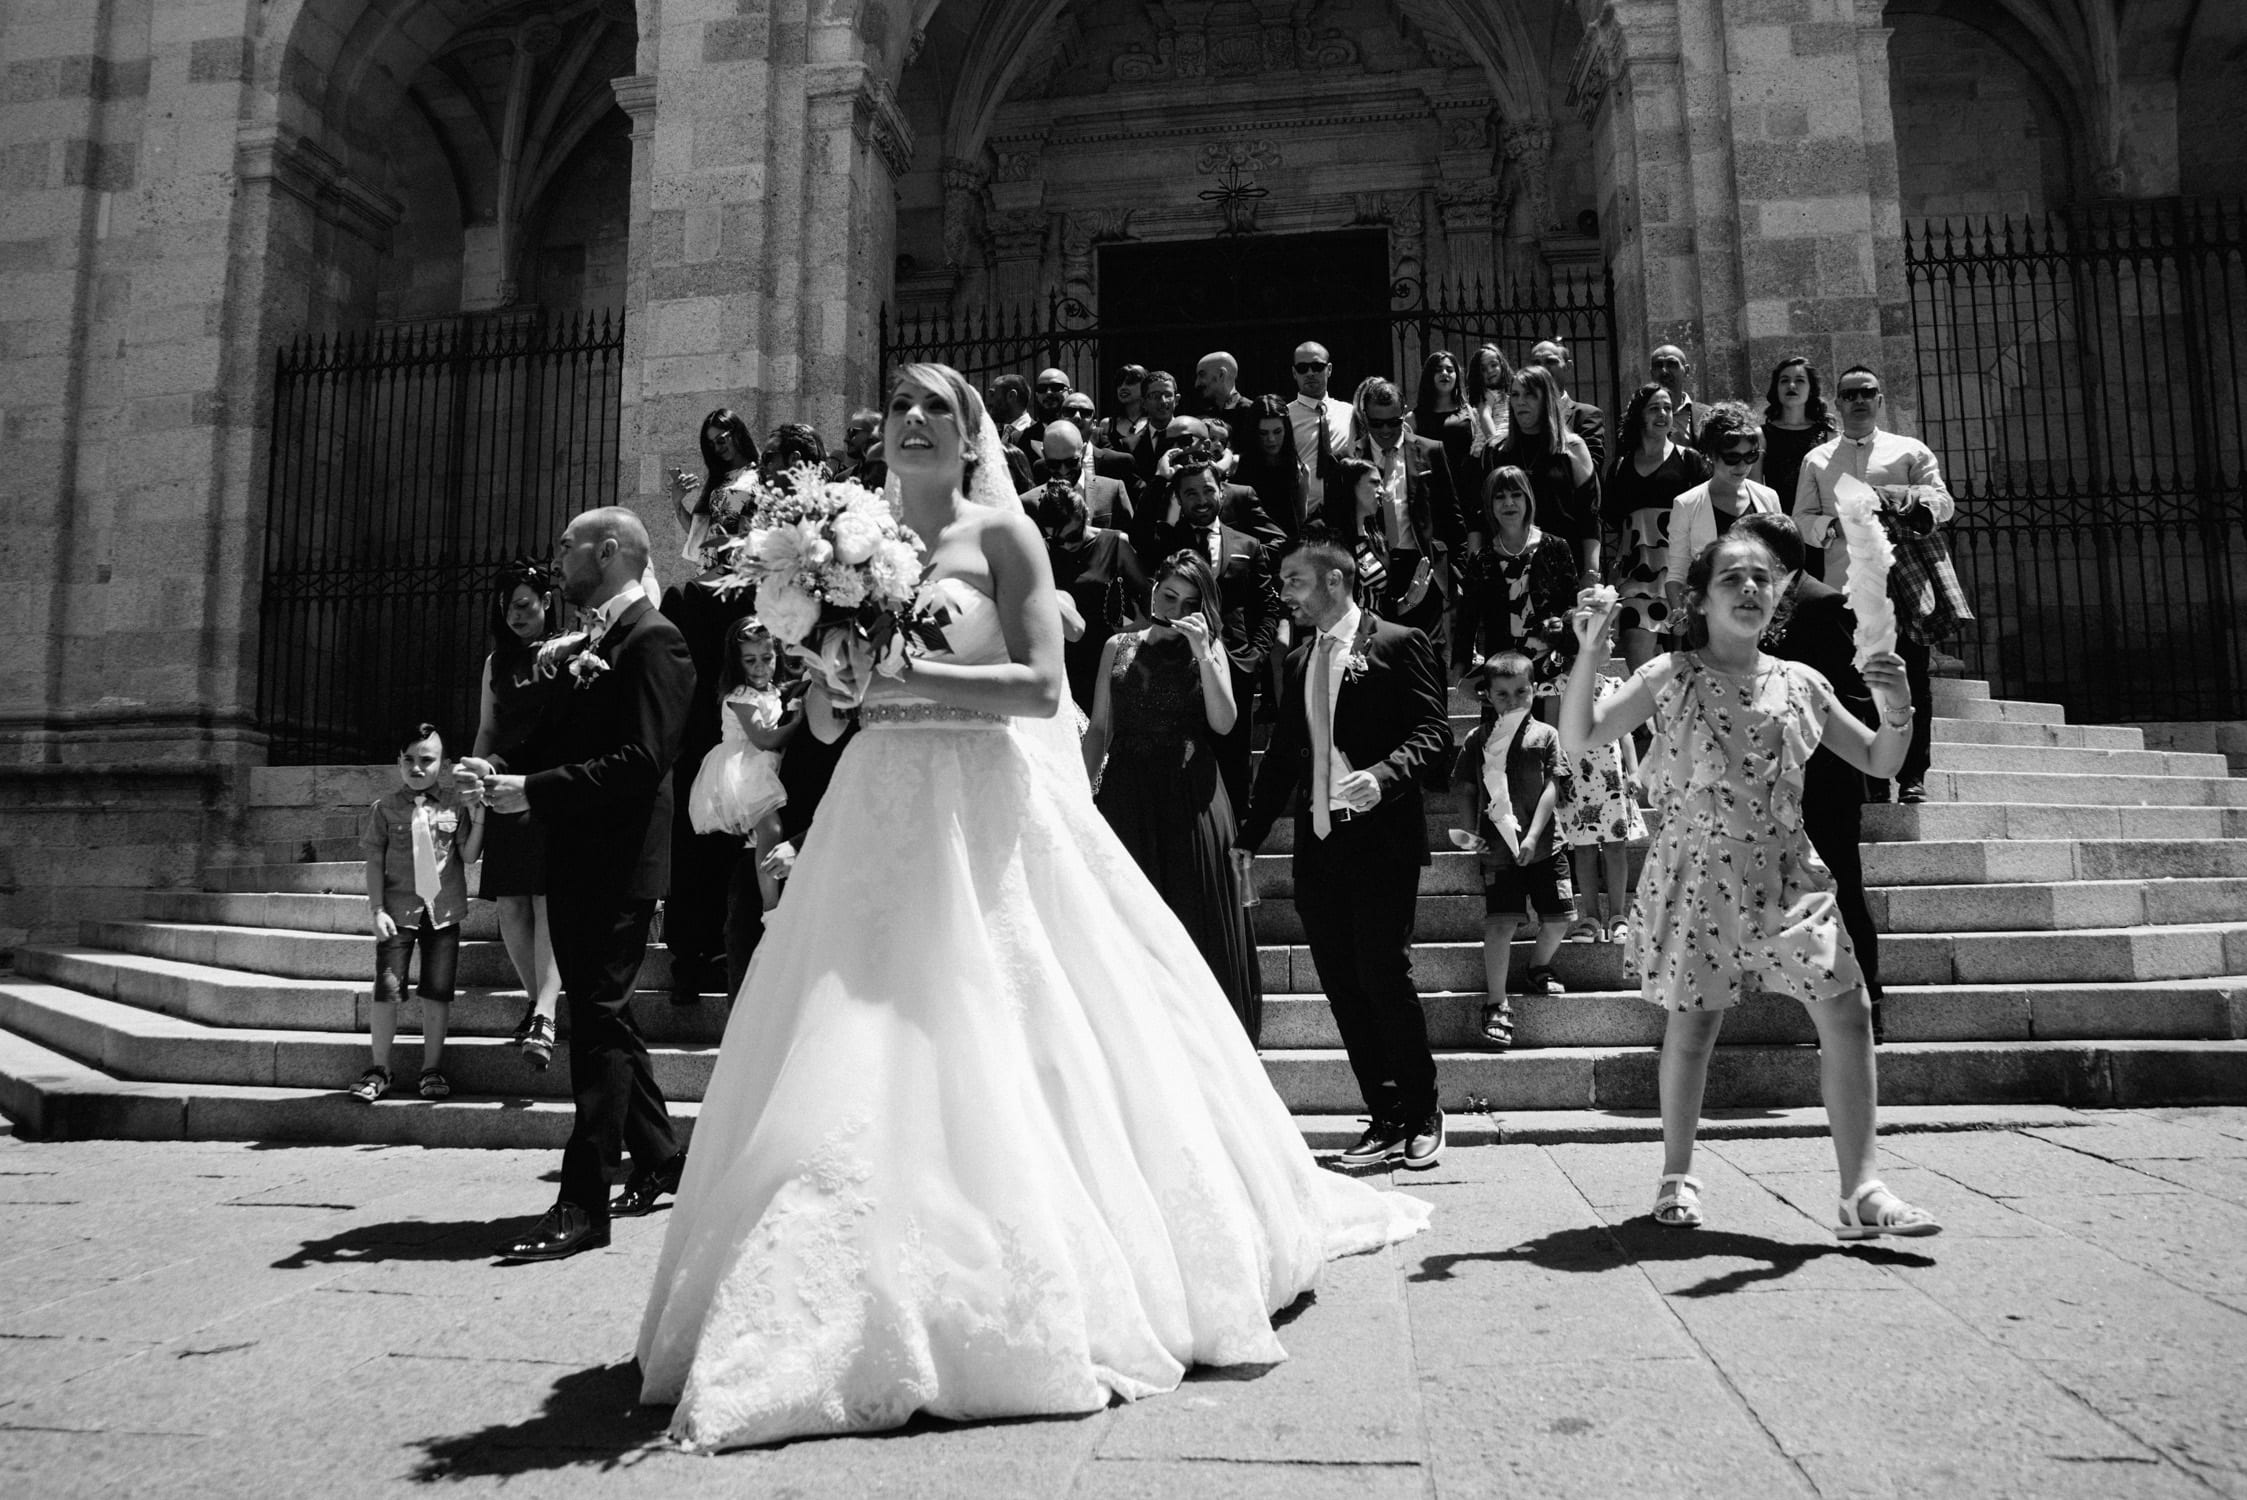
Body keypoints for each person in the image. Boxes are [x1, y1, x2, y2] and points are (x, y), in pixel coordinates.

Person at [636, 363, 1429, 1452]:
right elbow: (828, 720)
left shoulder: (1003, 539)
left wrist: (908, 675)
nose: (916, 420)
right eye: (901, 407)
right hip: (874, 806)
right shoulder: (837, 546)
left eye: (940, 409)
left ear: (972, 440)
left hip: (983, 801)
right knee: (851, 1041)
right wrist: (836, 681)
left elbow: (1043, 689)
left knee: (1002, 1015)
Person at [1560, 534, 1939, 1240]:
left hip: (1787, 867)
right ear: (1700, 600)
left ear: (1778, 596)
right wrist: (1589, 652)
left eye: (1761, 578)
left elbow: (1879, 760)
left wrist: (1899, 706)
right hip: (1697, 867)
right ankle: (1676, 1174)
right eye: (1731, 578)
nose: (1749, 589)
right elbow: (1581, 736)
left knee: (1847, 1008)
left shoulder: (1802, 682)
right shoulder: (1671, 674)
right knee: (1694, 1023)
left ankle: (1862, 1190)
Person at [460, 506, 692, 1262]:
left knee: (595, 1024)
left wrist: (535, 791)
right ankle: (660, 1156)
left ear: (609, 550)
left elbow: (643, 762)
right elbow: (555, 740)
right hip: (579, 856)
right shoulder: (591, 643)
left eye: (567, 546)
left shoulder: (654, 640)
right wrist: (497, 769)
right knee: (606, 1017)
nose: (557, 558)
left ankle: (582, 1204)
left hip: (620, 865)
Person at [1233, 527, 1454, 1171]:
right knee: (1341, 983)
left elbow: (1434, 732)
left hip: (1381, 840)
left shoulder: (1398, 642)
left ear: (1335, 579)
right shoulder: (1298, 660)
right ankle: (1384, 1113)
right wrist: (1248, 837)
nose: (1285, 593)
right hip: (1319, 844)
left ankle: (1424, 1111)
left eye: (1295, 581)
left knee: (1383, 973)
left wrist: (1383, 776)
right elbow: (1282, 757)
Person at [1083, 551, 1263, 1037]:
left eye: (1189, 603)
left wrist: (1204, 651)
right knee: (1129, 920)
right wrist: (1078, 793)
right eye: (1168, 596)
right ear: (1153, 590)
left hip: (1190, 795)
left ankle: (1208, 1040)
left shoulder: (1210, 648)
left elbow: (1223, 723)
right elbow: (1099, 728)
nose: (1176, 609)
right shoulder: (1117, 645)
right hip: (1126, 793)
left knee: (1192, 913)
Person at [1736, 511, 1885, 1040]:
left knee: (1841, 885)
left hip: (1824, 778)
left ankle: (1869, 1001)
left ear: (1774, 559)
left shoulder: (1826, 604)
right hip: (1769, 781)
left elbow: (1853, 695)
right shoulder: (1755, 604)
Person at [1793, 364, 1955, 804]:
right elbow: (1801, 518)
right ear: (1838, 403)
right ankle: (1874, 778)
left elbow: (1943, 503)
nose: (1860, 400)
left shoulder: (1909, 450)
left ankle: (1914, 775)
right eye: (1850, 394)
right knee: (1857, 681)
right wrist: (1833, 526)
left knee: (1912, 677)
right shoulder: (1818, 459)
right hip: (1846, 588)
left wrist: (1904, 499)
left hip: (1905, 584)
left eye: (1867, 392)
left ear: (1880, 400)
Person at [351, 723, 484, 1104]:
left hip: (443, 912)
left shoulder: (455, 806)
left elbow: (469, 855)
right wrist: (376, 909)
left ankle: (431, 1068)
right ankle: (379, 1068)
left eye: (426, 760)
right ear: (398, 762)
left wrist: (479, 816)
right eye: (408, 759)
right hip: (398, 913)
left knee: (437, 993)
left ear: (444, 765)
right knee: (387, 991)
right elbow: (374, 863)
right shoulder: (384, 808)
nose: (417, 767)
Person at [471, 561, 565, 1068]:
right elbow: (488, 729)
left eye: (526, 605)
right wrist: (472, 783)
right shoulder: (496, 662)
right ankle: (537, 1005)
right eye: (508, 608)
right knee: (510, 903)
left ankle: (545, 1011)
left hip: (546, 783)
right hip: (501, 780)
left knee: (546, 898)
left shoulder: (568, 649)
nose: (516, 616)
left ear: (547, 602)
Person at [1453, 653, 1573, 1051]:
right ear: (1488, 696)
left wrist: (1533, 835)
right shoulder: (1478, 739)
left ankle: (1538, 966)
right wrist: (1471, 834)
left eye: (1521, 691)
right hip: (1497, 851)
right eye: (1502, 694)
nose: (1513, 700)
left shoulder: (1546, 735)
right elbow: (1466, 788)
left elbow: (1553, 786)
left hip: (1546, 845)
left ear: (1534, 690)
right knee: (1500, 925)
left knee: (1559, 920)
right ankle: (1496, 1002)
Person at [1147, 460, 1279, 813]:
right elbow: (1139, 533)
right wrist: (1159, 479)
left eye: (1208, 490)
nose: (1201, 499)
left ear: (1222, 491)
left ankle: (1234, 837)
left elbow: (1268, 608)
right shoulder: (1165, 541)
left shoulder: (1249, 544)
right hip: (1175, 666)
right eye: (1190, 493)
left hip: (1234, 666)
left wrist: (1254, 657)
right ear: (1178, 499)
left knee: (1234, 763)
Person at [687, 618, 799, 913]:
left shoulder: (772, 690)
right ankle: (771, 905)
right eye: (750, 661)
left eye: (767, 658)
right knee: (772, 829)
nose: (760, 667)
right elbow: (762, 739)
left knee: (764, 833)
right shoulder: (741, 696)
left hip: (760, 766)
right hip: (742, 770)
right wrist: (798, 724)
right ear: (737, 663)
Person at [1346, 376, 1465, 641]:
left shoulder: (1431, 450)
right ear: (1365, 418)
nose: (1385, 430)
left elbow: (1452, 516)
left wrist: (1458, 573)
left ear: (1404, 414)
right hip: (1374, 571)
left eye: (1394, 422)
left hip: (1422, 565)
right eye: (1377, 423)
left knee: (1428, 650)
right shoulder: (1352, 457)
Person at [1604, 381, 1713, 672]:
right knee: (1639, 660)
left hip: (1681, 569)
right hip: (1636, 573)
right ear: (1640, 415)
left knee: (1686, 662)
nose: (1663, 414)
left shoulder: (1689, 460)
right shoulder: (1620, 466)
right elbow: (1612, 521)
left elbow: (1705, 514)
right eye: (1654, 408)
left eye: (1668, 408)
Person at [1454, 464, 1579, 672]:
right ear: (1490, 505)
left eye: (1516, 494)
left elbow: (1574, 608)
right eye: (1499, 497)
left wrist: (1563, 627)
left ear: (1527, 499)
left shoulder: (1556, 547)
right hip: (1503, 673)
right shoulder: (1481, 560)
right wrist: (1460, 676)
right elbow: (1466, 625)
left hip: (1554, 669)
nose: (1508, 503)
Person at [1664, 402, 1781, 624]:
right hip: (1710, 619)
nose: (1742, 465)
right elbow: (1677, 573)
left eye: (1751, 456)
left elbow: (1778, 566)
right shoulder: (1686, 504)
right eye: (1732, 458)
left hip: (1758, 614)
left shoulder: (1768, 498)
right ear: (1711, 455)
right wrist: (1682, 613)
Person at [1555, 665, 1644, 945]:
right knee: (1583, 849)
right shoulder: (1557, 686)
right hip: (1575, 777)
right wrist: (1555, 778)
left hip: (1611, 776)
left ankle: (1618, 917)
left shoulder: (1614, 685)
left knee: (1616, 847)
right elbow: (1553, 734)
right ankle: (1591, 918)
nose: (1612, 643)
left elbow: (1624, 732)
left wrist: (1634, 771)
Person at [1491, 364, 1600, 580]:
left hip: (1564, 565)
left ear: (1546, 400)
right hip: (1510, 566)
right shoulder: (1500, 451)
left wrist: (1590, 572)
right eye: (1515, 395)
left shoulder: (1573, 448)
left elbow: (1589, 516)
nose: (1520, 402)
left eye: (1530, 395)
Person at [670, 408, 759, 564]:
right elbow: (698, 535)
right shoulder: (718, 480)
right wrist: (677, 502)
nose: (717, 449)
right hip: (709, 569)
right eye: (711, 445)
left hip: (739, 568)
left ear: (737, 433)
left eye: (721, 440)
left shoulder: (761, 473)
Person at [1757, 357, 1834, 534]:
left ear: (1811, 389)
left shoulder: (1828, 435)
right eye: (1784, 381)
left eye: (1799, 380)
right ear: (1776, 388)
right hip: (1779, 529)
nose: (1791, 386)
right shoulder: (1761, 435)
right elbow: (1757, 490)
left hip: (1819, 530)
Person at [1285, 341, 1356, 521]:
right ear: (1294, 373)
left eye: (1317, 367)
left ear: (1329, 369)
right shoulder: (1284, 416)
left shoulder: (1351, 413)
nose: (1310, 373)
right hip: (1302, 517)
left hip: (1346, 515)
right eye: (1302, 368)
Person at [1524, 339, 1606, 472]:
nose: (1543, 368)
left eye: (1550, 361)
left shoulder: (1587, 415)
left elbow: (1590, 468)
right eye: (1536, 363)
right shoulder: (1521, 412)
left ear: (1568, 366)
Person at [1235, 393, 1306, 538]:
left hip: (1288, 545)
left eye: (1277, 432)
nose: (1271, 439)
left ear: (1286, 430)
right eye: (1263, 433)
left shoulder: (1299, 470)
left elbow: (1300, 520)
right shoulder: (1238, 467)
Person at [1410, 349, 1473, 499]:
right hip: (1432, 492)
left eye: (1450, 370)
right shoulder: (1413, 418)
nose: (1444, 373)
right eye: (1438, 370)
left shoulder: (1469, 412)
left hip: (1465, 488)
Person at [1648, 343, 1699, 444]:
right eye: (1658, 365)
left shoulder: (1704, 416)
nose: (1664, 371)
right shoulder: (1637, 417)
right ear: (1651, 373)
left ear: (1686, 371)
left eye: (1672, 364)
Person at [827, 406, 886, 489]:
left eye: (852, 432)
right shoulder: (843, 480)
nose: (846, 439)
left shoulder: (895, 477)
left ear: (875, 434)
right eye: (848, 432)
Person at [1193, 350, 1257, 425]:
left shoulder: (1251, 412)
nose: (1196, 383)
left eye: (1202, 375)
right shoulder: (1206, 414)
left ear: (1221, 375)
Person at [1106, 362, 1150, 452]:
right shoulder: (1107, 424)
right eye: (1119, 383)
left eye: (1130, 382)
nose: (1123, 387)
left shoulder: (1155, 422)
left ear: (1144, 387)